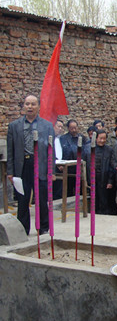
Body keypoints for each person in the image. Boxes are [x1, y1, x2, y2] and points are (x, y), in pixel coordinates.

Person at [7, 95, 55, 235]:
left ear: (38, 106)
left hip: (40, 165)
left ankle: (43, 227)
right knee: (22, 199)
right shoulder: (14, 126)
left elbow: (51, 150)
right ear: (23, 106)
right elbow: (10, 150)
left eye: (33, 104)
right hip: (22, 167)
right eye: (27, 104)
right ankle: (22, 228)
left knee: (41, 198)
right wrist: (10, 171)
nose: (30, 107)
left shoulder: (46, 126)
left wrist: (50, 170)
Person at [83, 130, 116, 215]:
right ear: (96, 138)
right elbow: (83, 165)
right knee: (94, 200)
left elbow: (112, 166)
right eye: (100, 138)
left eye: (104, 139)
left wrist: (110, 181)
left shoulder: (109, 150)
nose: (102, 141)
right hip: (92, 179)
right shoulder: (87, 148)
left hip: (104, 179)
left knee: (104, 201)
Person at [59, 119, 83, 196]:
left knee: (79, 188)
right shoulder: (63, 138)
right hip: (68, 167)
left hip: (79, 167)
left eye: (75, 127)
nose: (74, 130)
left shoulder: (82, 138)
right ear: (68, 128)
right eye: (72, 128)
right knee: (68, 189)